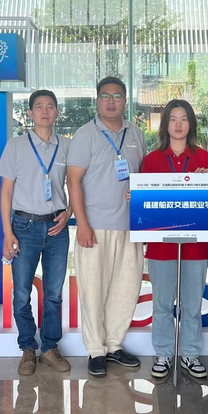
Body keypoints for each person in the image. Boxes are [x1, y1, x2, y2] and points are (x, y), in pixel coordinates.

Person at [67, 76, 146, 377]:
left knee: (126, 288)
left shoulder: (136, 133)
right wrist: (82, 224)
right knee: (93, 289)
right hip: (95, 226)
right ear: (97, 100)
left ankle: (114, 345)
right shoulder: (85, 135)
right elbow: (73, 180)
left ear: (125, 100)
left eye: (117, 96)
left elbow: (143, 178)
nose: (111, 101)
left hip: (129, 226)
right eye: (105, 96)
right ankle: (96, 350)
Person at [0, 89, 72, 375]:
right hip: (24, 227)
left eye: (50, 106)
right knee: (21, 292)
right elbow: (6, 191)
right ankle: (28, 348)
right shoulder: (16, 145)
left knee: (54, 292)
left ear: (57, 113)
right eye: (39, 106)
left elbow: (76, 184)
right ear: (30, 113)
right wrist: (8, 233)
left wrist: (70, 212)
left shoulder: (67, 146)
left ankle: (50, 348)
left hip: (57, 227)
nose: (44, 111)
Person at [142, 99, 208, 380]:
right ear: (165, 125)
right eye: (173, 119)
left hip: (196, 245)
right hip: (161, 246)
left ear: (191, 124)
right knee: (162, 304)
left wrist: (207, 182)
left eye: (184, 119)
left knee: (192, 304)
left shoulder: (205, 159)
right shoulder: (152, 160)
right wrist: (135, 197)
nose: (178, 124)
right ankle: (163, 352)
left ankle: (189, 353)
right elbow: (144, 204)